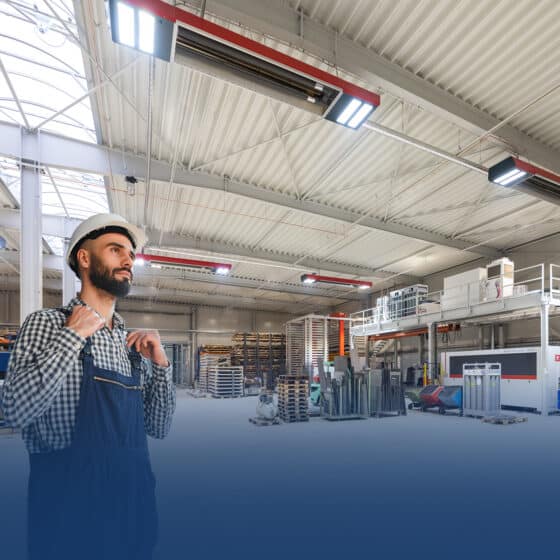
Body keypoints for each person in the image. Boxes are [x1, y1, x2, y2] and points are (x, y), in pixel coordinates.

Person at [2, 213, 176, 560]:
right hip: (68, 512)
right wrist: (73, 335)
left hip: (132, 505)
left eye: (130, 253)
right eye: (115, 250)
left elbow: (158, 427)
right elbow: (14, 411)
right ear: (85, 258)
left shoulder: (130, 343)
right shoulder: (48, 324)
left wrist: (161, 366)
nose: (128, 260)